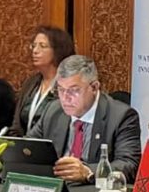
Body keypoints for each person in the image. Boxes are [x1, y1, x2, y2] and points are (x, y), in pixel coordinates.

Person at [27, 55, 141, 183]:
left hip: (94, 191)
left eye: (73, 90)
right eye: (61, 89)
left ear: (94, 87)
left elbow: (129, 165)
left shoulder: (121, 117)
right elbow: (29, 147)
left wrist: (88, 172)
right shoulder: (53, 110)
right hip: (57, 188)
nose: (65, 98)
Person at [8, 25, 75, 136]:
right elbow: (16, 124)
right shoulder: (31, 83)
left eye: (42, 46)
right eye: (33, 46)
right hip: (25, 144)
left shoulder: (68, 85)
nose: (35, 51)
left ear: (58, 50)